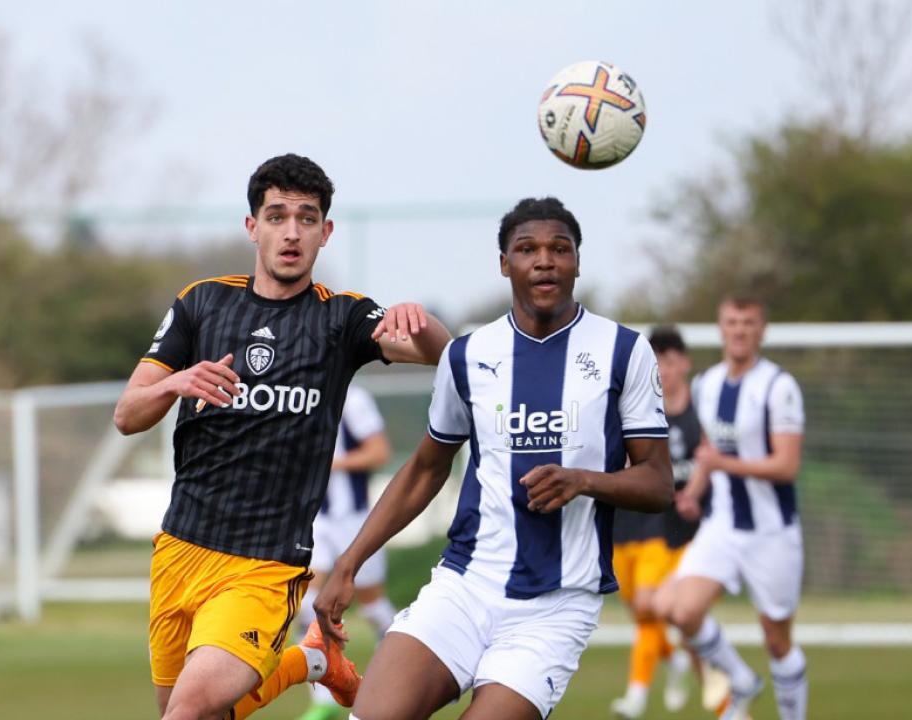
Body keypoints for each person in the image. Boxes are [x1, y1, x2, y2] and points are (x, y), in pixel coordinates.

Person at [112, 153, 451, 720]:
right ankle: (312, 662)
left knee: (188, 712)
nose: (291, 231)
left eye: (307, 217)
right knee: (197, 714)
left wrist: (424, 321)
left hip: (266, 564)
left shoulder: (342, 319)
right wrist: (177, 383)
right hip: (179, 550)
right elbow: (127, 414)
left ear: (325, 232)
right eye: (276, 216)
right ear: (252, 227)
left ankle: (307, 659)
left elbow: (441, 356)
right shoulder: (203, 302)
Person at [314, 197, 675, 720]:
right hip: (465, 586)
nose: (544, 260)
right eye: (527, 249)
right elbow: (424, 470)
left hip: (557, 605)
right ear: (505, 264)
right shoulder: (468, 355)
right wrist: (349, 563)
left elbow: (659, 484)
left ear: (578, 260)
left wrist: (583, 481)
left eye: (560, 248)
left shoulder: (623, 351)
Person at [657, 296, 807, 720]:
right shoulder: (708, 384)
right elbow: (709, 452)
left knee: (777, 641)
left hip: (771, 531)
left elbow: (787, 465)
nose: (739, 330)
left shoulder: (779, 387)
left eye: (748, 323)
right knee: (676, 608)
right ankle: (740, 680)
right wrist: (696, 492)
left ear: (761, 330)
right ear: (721, 329)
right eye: (732, 322)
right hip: (722, 525)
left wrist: (722, 464)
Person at [609, 326, 700, 718]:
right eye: (657, 360)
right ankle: (674, 659)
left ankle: (636, 696)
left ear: (685, 364)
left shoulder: (703, 412)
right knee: (641, 609)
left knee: (651, 605)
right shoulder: (635, 406)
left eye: (671, 360)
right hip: (625, 525)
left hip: (670, 532)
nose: (664, 369)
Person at [296, 384, 397, 720]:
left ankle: (400, 675)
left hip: (352, 521)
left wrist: (328, 463)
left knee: (372, 605)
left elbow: (379, 452)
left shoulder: (353, 399)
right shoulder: (299, 394)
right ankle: (323, 699)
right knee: (304, 603)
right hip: (314, 520)